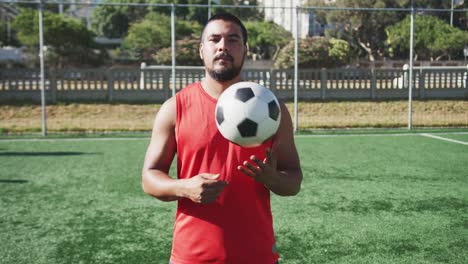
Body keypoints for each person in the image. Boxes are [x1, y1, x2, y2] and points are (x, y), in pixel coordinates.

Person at [142, 12, 302, 264]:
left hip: (256, 256)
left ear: (245, 49)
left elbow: (294, 181)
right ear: (201, 49)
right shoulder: (175, 107)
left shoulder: (272, 109)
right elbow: (149, 178)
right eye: (214, 39)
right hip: (191, 256)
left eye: (233, 40)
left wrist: (273, 180)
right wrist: (185, 187)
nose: (223, 47)